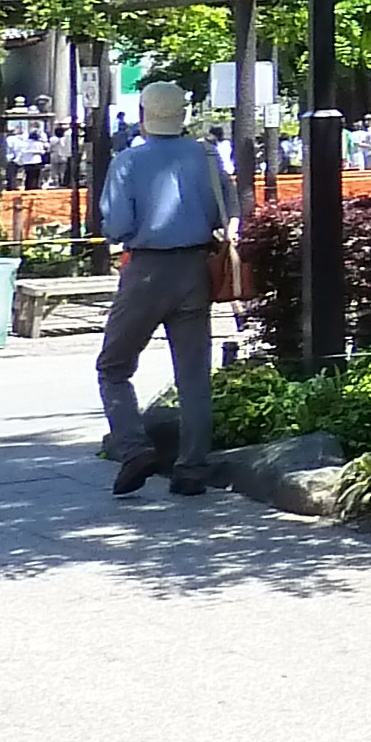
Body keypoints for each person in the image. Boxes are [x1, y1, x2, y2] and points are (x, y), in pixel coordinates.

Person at [95, 80, 232, 498]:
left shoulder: (128, 162)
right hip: (195, 269)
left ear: (143, 115)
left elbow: (116, 226)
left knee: (114, 366)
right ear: (184, 114)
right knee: (193, 375)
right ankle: (192, 468)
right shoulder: (207, 156)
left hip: (147, 271)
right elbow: (230, 211)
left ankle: (134, 447)